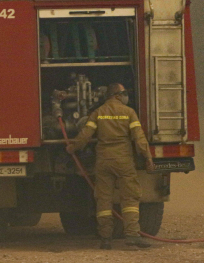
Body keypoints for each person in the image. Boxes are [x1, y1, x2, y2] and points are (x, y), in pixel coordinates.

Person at [66, 83, 156, 249]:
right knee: (130, 198)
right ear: (116, 95)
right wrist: (148, 158)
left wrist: (73, 147)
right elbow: (139, 138)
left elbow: (85, 135)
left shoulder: (98, 113)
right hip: (124, 161)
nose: (125, 96)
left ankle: (106, 239)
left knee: (103, 200)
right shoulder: (129, 113)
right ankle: (132, 236)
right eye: (124, 93)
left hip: (104, 161)